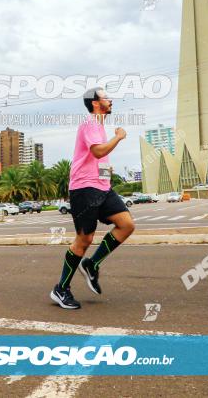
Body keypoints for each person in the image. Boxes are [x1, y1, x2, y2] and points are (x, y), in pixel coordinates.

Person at [50, 87, 135, 310]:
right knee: (84, 240)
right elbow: (97, 151)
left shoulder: (98, 127)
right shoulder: (89, 124)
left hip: (102, 188)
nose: (111, 100)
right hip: (84, 189)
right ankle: (61, 289)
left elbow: (98, 158)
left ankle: (92, 264)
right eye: (106, 97)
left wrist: (107, 171)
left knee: (126, 225)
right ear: (96, 103)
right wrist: (119, 137)